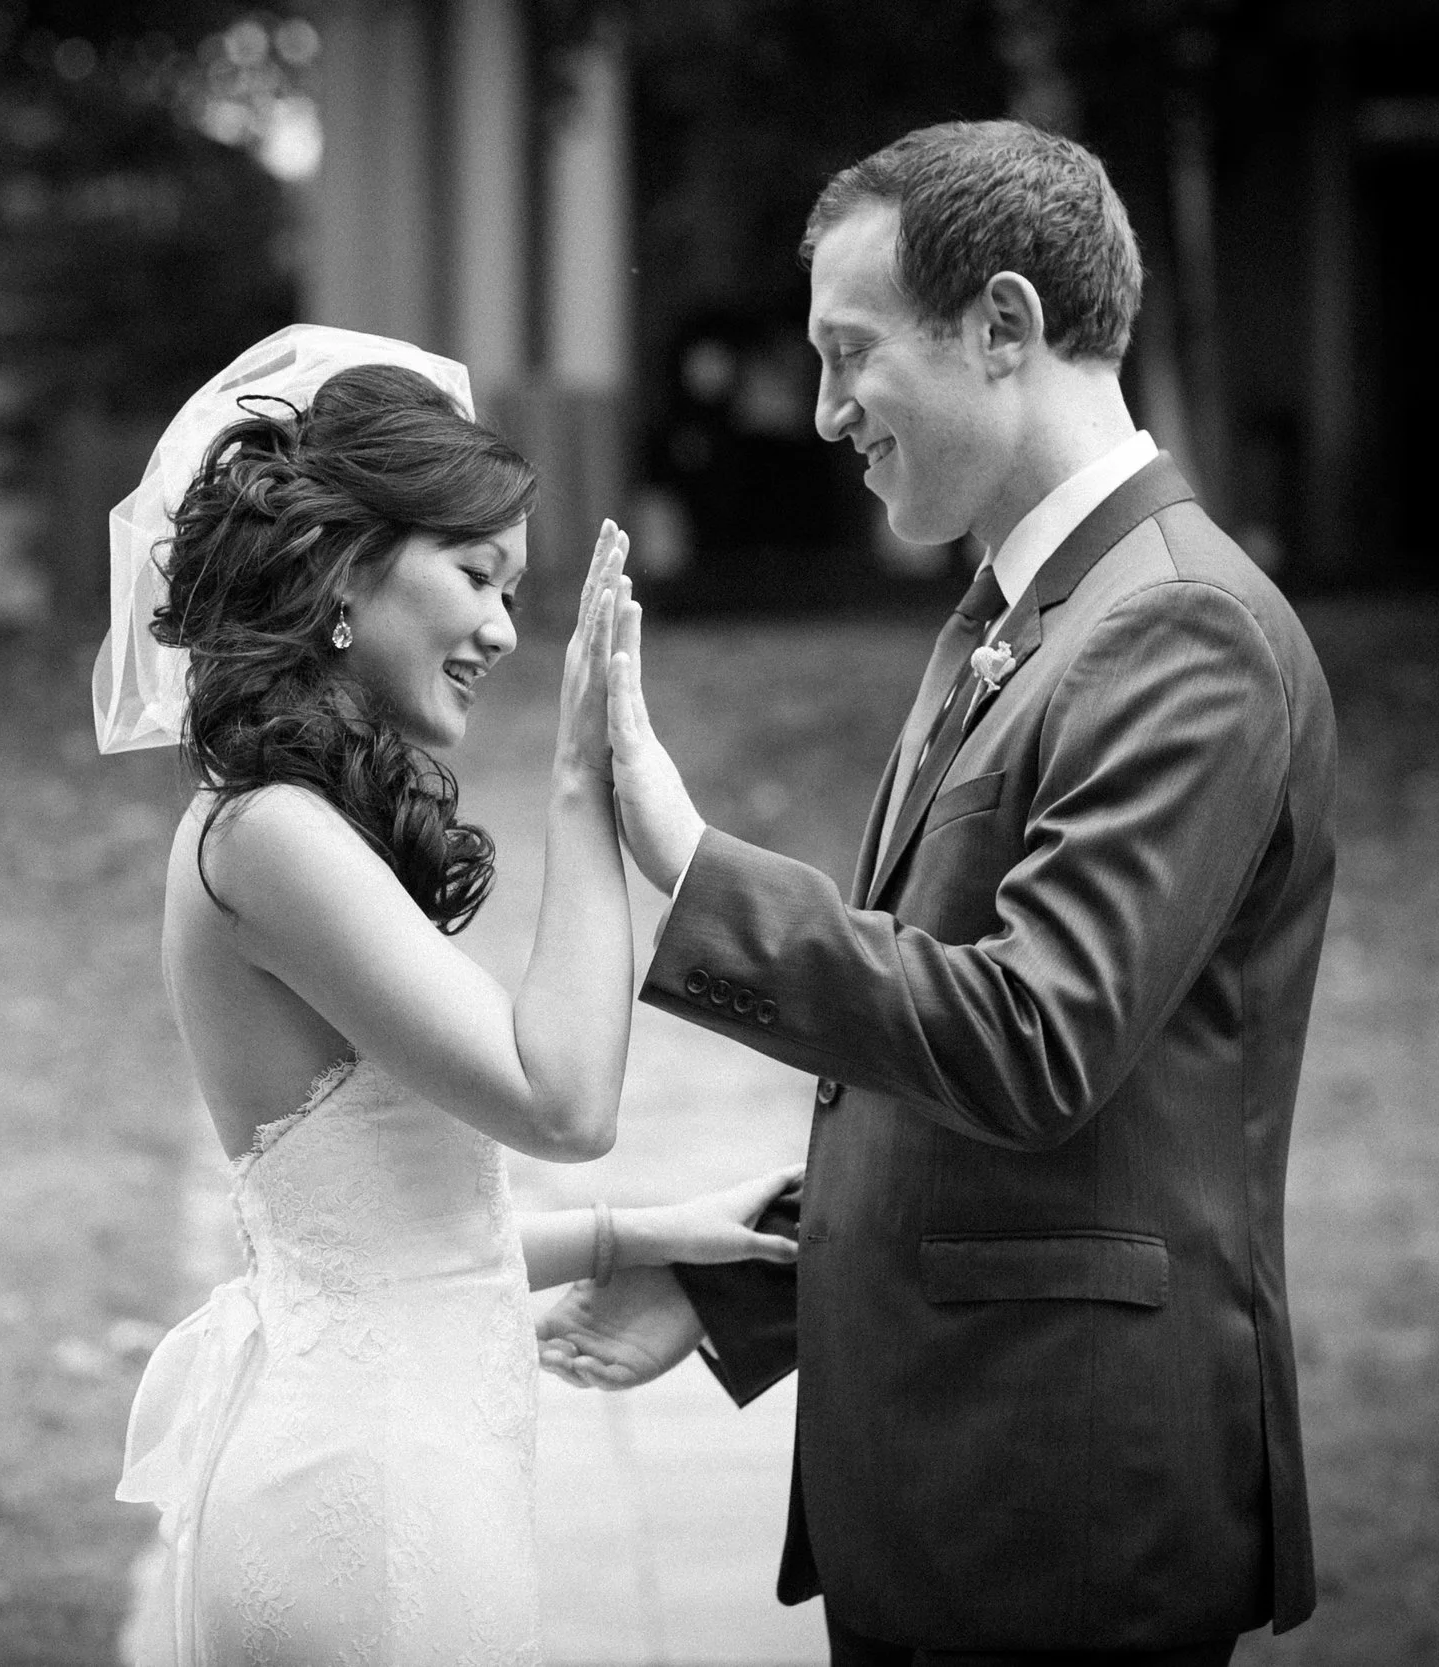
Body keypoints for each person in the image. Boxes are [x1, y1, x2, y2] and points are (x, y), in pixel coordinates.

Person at [537, 121, 1338, 1666]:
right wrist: (744, 1292)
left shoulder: (1181, 628)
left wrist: (690, 864)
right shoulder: (1019, 608)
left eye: (851, 355)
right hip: (961, 1466)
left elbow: (1033, 1039)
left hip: (1063, 1497)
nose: (826, 410)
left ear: (1005, 327)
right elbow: (953, 1061)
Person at [100, 325, 800, 1667]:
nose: (501, 627)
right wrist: (589, 781)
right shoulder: (269, 838)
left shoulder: (294, 830)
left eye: (515, 590)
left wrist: (642, 1234)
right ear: (343, 576)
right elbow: (565, 1093)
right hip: (366, 1520)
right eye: (475, 575)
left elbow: (377, 1239)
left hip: (401, 1479)